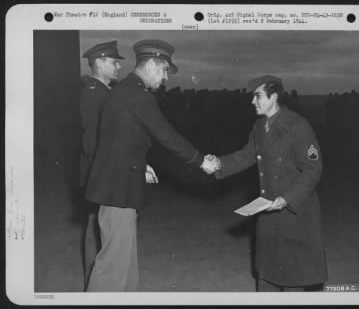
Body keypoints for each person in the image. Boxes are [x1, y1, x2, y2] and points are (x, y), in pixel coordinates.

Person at [84, 39, 210, 292]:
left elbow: (119, 138)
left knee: (126, 266)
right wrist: (201, 160)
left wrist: (141, 163)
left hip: (119, 184)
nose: (165, 78)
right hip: (118, 189)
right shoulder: (137, 94)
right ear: (151, 64)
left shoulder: (126, 91)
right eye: (164, 70)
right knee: (112, 267)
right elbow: (167, 135)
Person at [203, 75, 328, 292]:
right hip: (268, 209)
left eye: (258, 96)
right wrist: (218, 164)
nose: (253, 102)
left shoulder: (299, 126)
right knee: (267, 277)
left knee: (292, 280)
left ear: (274, 97)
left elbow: (313, 168)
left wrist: (287, 198)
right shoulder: (259, 127)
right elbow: (245, 156)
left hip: (294, 212)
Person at [80, 41, 158, 291]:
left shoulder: (100, 92)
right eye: (113, 61)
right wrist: (105, 177)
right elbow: (94, 142)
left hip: (102, 174)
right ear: (99, 63)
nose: (118, 66)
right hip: (104, 176)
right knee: (107, 243)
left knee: (103, 234)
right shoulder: (98, 95)